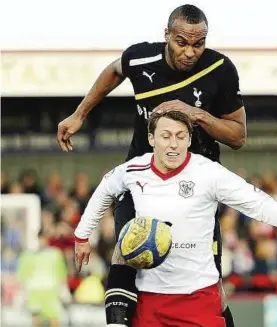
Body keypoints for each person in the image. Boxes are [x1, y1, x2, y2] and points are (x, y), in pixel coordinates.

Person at [57, 4, 245, 327]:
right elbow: (115, 71)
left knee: (211, 285)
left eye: (198, 44)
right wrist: (80, 113)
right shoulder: (141, 58)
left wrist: (196, 114)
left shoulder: (220, 70)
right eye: (181, 42)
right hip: (143, 181)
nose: (189, 52)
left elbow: (238, 135)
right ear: (167, 36)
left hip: (193, 191)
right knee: (126, 250)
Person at [74, 111, 277, 327]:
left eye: (181, 136)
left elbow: (259, 204)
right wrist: (82, 236)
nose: (173, 143)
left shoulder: (209, 173)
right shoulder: (133, 170)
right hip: (149, 298)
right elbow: (104, 191)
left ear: (189, 140)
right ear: (151, 138)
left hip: (199, 297)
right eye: (166, 135)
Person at [17, 230, 70, 327]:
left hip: (51, 292)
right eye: (41, 238)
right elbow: (22, 275)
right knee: (37, 321)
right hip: (34, 292)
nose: (42, 241)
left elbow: (61, 273)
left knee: (54, 320)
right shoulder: (27, 255)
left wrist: (64, 290)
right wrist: (21, 293)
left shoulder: (55, 254)